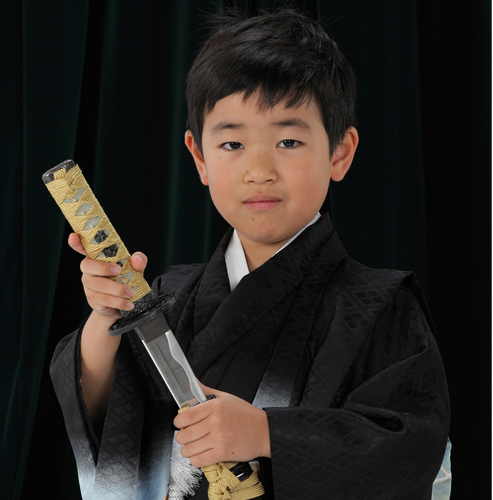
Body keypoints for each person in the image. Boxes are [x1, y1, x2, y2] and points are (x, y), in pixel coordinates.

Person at [50, 9, 450, 500]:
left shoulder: (379, 307)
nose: (259, 170)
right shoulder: (170, 295)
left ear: (340, 152)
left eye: (288, 140)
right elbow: (105, 410)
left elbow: (410, 449)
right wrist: (106, 318)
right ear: (199, 157)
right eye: (233, 143)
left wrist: (265, 433)